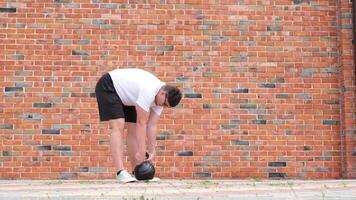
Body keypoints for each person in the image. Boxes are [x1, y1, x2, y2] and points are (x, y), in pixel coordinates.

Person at [95, 68, 182, 183]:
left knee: (133, 127)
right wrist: (141, 152)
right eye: (164, 104)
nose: (163, 106)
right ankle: (120, 172)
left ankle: (137, 172)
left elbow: (152, 125)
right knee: (118, 125)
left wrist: (151, 151)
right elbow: (142, 123)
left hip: (127, 95)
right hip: (109, 86)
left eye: (167, 106)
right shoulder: (149, 90)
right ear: (162, 93)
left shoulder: (160, 98)